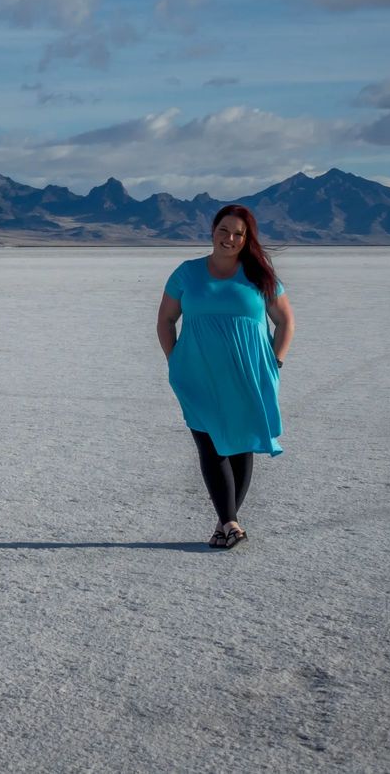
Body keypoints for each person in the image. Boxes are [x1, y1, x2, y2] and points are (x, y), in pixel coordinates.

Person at [156, 204, 294, 549]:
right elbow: (166, 320)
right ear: (212, 231)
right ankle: (231, 522)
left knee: (240, 445)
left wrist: (275, 361)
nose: (229, 239)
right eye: (224, 230)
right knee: (209, 444)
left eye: (237, 234)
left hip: (249, 375)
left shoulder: (260, 275)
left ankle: (226, 525)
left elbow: (285, 322)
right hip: (197, 375)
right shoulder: (187, 273)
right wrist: (175, 360)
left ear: (247, 239)